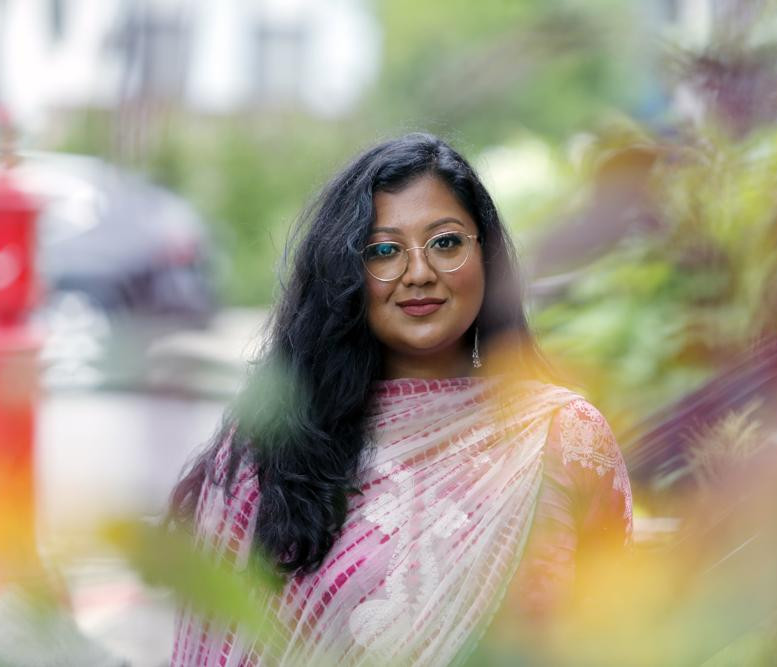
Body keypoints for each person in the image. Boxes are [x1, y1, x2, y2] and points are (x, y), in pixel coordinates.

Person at [168, 133, 632, 666]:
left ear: (488, 256)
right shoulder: (273, 447)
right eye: (384, 251)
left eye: (446, 242)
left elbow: (613, 636)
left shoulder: (563, 437)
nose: (419, 273)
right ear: (346, 275)